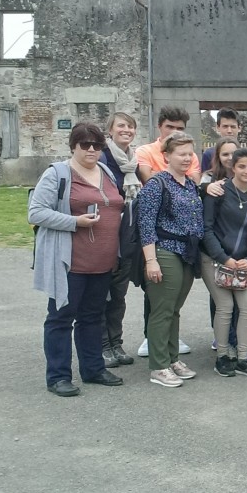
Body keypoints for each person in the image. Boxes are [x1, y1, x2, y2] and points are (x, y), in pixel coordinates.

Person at [30, 123, 125, 396]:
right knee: (61, 318)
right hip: (70, 262)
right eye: (85, 144)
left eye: (97, 145)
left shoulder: (105, 171)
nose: (92, 149)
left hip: (103, 262)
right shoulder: (57, 173)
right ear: (73, 146)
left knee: (93, 318)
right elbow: (36, 212)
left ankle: (93, 369)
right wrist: (74, 222)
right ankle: (58, 376)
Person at [138, 131, 204, 388]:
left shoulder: (189, 184)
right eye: (181, 154)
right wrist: (151, 260)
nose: (187, 158)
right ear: (166, 156)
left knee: (174, 310)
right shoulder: (157, 184)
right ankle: (158, 365)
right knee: (162, 309)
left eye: (190, 153)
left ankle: (172, 358)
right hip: (165, 250)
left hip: (187, 252)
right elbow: (146, 223)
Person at [200, 148, 247, 378]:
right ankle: (223, 357)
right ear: (233, 167)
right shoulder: (218, 192)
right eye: (242, 166)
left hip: (241, 262)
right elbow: (206, 229)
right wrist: (224, 258)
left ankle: (242, 357)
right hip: (214, 258)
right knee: (225, 306)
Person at [99, 112, 140, 368]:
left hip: (127, 238)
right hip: (106, 238)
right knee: (102, 296)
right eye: (121, 126)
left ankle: (116, 343)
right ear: (110, 131)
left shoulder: (133, 162)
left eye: (131, 126)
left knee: (118, 297)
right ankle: (102, 346)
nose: (127, 130)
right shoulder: (103, 159)